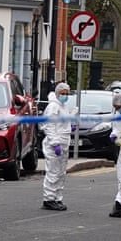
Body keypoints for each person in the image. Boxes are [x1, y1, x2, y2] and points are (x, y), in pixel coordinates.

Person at [39, 82, 75, 211]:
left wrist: (71, 126)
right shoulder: (53, 107)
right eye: (63, 93)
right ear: (57, 93)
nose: (65, 95)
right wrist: (55, 144)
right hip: (55, 144)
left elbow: (62, 124)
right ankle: (49, 199)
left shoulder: (63, 106)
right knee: (53, 172)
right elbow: (50, 126)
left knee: (60, 173)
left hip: (63, 143)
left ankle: (57, 197)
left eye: (67, 93)